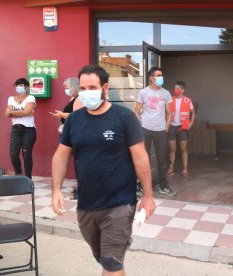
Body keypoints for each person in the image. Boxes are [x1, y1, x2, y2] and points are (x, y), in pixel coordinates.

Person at [51, 65, 155, 276]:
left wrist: (148, 196)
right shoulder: (74, 120)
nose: (86, 92)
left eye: (92, 87)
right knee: (107, 261)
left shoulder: (124, 117)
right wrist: (56, 190)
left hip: (119, 204)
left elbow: (140, 156)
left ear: (105, 88)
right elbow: (61, 155)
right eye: (82, 88)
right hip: (87, 204)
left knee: (111, 263)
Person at [135, 66, 176, 196]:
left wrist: (167, 127)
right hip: (145, 130)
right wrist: (140, 125)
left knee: (162, 159)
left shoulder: (166, 93)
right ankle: (141, 186)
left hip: (160, 131)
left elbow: (170, 113)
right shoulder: (143, 92)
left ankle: (164, 186)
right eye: (158, 75)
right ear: (151, 78)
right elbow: (136, 111)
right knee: (144, 158)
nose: (160, 78)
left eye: (161, 75)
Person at [51, 77, 81, 200]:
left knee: (78, 161)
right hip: (67, 132)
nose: (66, 90)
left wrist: (61, 115)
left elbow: (76, 116)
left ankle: (81, 187)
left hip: (74, 133)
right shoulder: (73, 99)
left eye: (67, 88)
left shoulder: (78, 100)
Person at [5, 78, 37, 179]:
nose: (18, 87)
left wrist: (13, 112)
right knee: (13, 154)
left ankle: (28, 178)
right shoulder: (11, 98)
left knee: (26, 155)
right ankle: (18, 174)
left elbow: (26, 111)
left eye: (21, 85)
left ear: (26, 87)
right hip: (15, 130)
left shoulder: (31, 98)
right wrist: (23, 112)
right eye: (17, 86)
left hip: (28, 130)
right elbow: (7, 114)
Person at [167, 81, 195, 177]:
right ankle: (171, 168)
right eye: (175, 88)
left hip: (183, 127)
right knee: (172, 149)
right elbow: (166, 112)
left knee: (183, 148)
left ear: (183, 90)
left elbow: (193, 113)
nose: (176, 90)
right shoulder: (170, 100)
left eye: (178, 88)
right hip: (172, 126)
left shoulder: (187, 100)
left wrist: (191, 123)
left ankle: (185, 169)